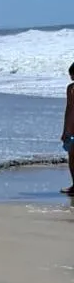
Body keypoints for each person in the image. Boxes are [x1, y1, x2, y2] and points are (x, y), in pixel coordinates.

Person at [63, 61, 74, 195]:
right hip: (71, 126)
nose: (71, 77)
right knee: (71, 156)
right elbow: (68, 109)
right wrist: (65, 129)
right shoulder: (70, 88)